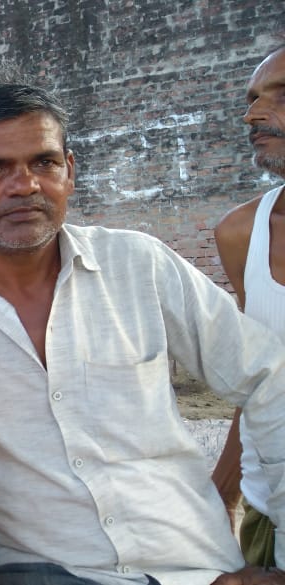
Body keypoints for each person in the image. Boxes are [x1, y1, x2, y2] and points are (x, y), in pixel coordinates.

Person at [0, 83, 285, 584]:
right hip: (39, 569)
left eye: (44, 163)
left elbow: (267, 378)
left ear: (70, 171)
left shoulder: (139, 263)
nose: (25, 186)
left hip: (193, 566)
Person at [211, 45, 285, 568]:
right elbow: (257, 376)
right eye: (253, 98)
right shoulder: (243, 234)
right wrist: (222, 491)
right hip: (270, 510)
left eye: (280, 95)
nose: (253, 114)